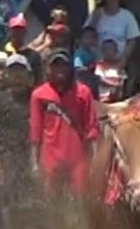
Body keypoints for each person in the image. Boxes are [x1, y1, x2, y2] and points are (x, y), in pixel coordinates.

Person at [29, 50, 98, 202]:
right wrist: (34, 162)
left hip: (77, 157)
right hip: (50, 157)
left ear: (70, 68)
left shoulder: (83, 93)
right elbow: (35, 130)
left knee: (80, 199)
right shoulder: (39, 95)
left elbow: (91, 127)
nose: (60, 70)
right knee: (51, 202)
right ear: (48, 69)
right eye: (55, 65)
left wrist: (94, 160)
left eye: (64, 65)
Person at [0, 55, 35, 229]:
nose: (17, 76)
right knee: (11, 195)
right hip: (8, 153)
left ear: (28, 76)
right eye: (13, 72)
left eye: (20, 72)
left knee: (34, 197)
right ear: (7, 75)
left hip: (32, 151)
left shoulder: (36, 98)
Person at [85, 0, 140, 66]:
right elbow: (86, 36)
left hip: (119, 62)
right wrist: (94, 20)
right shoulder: (96, 14)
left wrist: (124, 59)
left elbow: (132, 40)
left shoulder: (128, 16)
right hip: (98, 62)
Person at [5, 14, 43, 83]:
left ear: (25, 32)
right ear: (9, 31)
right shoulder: (1, 53)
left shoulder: (33, 55)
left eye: (20, 30)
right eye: (14, 29)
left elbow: (38, 79)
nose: (17, 33)